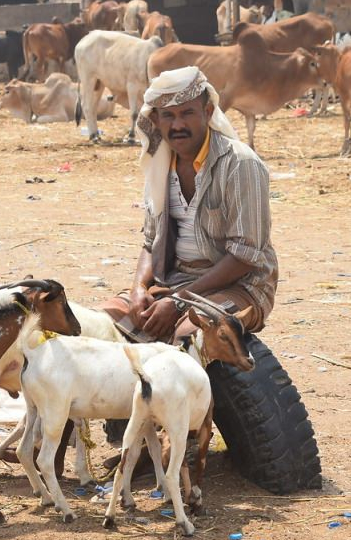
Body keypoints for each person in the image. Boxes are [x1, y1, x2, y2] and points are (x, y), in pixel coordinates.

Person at [100, 66, 278, 343]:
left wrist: (180, 302)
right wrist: (138, 290)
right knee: (97, 327)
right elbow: (150, 243)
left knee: (190, 337)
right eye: (168, 116)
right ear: (156, 120)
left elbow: (246, 255)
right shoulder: (160, 164)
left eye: (187, 113)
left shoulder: (240, 164)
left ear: (207, 113)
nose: (177, 125)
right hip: (172, 283)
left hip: (241, 288)